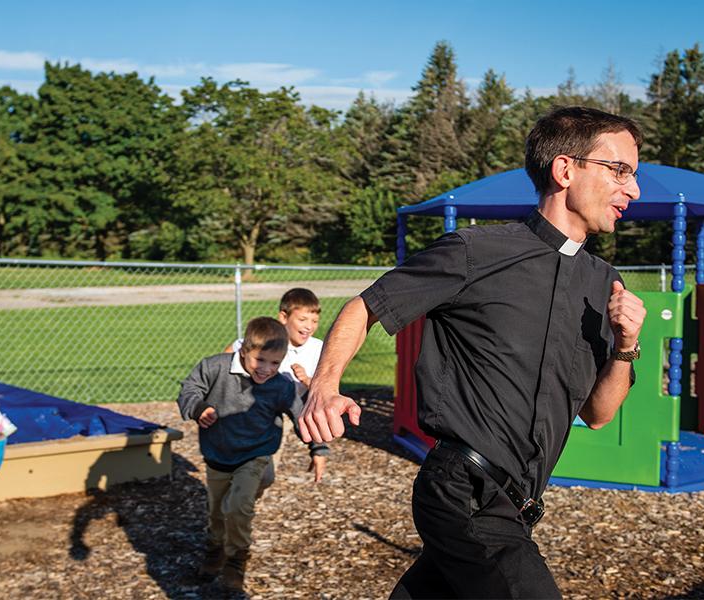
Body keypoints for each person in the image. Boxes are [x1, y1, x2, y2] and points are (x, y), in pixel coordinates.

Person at [298, 106, 648, 598]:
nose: (633, 190)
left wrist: (626, 347)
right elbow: (365, 307)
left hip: (519, 505)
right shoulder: (474, 252)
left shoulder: (603, 282)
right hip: (464, 489)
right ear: (566, 170)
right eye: (621, 171)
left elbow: (600, 413)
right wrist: (325, 385)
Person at [178, 316, 330, 592]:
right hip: (218, 454)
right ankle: (214, 551)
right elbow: (189, 389)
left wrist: (317, 448)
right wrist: (199, 408)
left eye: (275, 363)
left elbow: (300, 414)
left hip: (256, 454)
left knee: (238, 506)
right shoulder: (215, 367)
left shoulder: (280, 385)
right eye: (261, 360)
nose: (267, 369)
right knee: (216, 512)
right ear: (244, 350)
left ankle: (236, 562)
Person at [227, 288, 323, 398]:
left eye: (315, 321)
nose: (309, 326)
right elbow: (225, 364)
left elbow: (326, 391)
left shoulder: (319, 348)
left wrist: (306, 380)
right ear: (283, 317)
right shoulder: (264, 341)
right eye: (302, 320)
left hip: (296, 408)